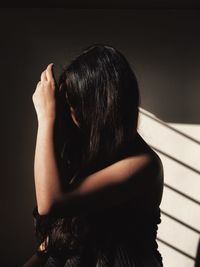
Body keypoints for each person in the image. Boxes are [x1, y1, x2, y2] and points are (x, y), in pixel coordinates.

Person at [23, 44, 164, 267]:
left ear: (98, 107)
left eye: (72, 104)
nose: (68, 114)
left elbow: (50, 203)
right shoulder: (87, 157)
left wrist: (45, 117)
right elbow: (56, 242)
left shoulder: (143, 165)